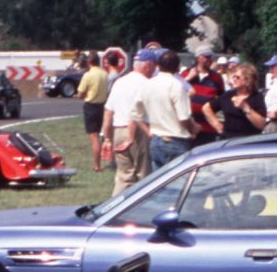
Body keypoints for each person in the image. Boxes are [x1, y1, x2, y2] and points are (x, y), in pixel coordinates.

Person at [141, 50, 195, 170]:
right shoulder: (177, 85)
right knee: (178, 179)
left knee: (160, 179)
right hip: (176, 140)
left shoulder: (147, 85)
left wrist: (148, 131)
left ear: (158, 66)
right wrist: (193, 130)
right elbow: (183, 117)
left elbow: (135, 114)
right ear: (177, 68)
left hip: (156, 139)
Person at [107, 49, 154, 185]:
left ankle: (118, 199)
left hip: (118, 130)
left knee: (124, 177)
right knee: (143, 175)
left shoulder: (119, 82)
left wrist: (107, 138)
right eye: (154, 65)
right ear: (148, 65)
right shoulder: (146, 83)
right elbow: (135, 113)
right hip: (138, 131)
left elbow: (108, 112)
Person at [77, 50, 114, 170]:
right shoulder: (105, 74)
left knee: (94, 137)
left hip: (91, 106)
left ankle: (97, 165)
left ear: (89, 62)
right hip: (102, 106)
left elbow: (80, 94)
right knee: (101, 134)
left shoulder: (88, 75)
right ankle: (108, 159)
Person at [220, 63, 267, 137]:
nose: (234, 79)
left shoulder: (257, 97)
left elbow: (262, 125)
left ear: (247, 81)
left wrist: (245, 107)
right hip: (228, 139)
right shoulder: (228, 95)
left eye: (237, 77)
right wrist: (217, 125)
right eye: (233, 76)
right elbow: (207, 107)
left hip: (248, 140)